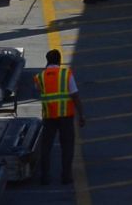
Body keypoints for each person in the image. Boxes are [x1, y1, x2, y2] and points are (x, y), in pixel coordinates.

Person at [33, 48, 86, 186]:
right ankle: (66, 176)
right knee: (67, 146)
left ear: (47, 61)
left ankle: (45, 177)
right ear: (60, 61)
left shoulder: (40, 77)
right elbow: (75, 95)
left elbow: (39, 90)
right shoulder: (66, 74)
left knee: (46, 147)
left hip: (49, 117)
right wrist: (81, 115)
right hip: (65, 117)